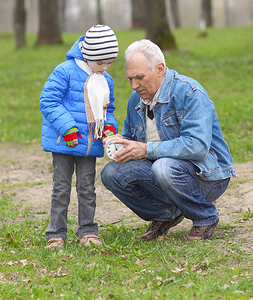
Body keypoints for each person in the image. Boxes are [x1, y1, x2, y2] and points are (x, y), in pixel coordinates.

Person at [101, 39, 236, 242]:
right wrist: (121, 143)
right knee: (111, 173)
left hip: (207, 176)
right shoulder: (136, 98)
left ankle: (205, 216)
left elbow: (197, 146)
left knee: (163, 167)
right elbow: (131, 137)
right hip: (164, 174)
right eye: (129, 79)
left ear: (160, 69)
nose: (134, 85)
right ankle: (164, 215)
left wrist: (147, 150)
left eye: (139, 77)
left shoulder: (190, 93)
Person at [40, 24, 119, 250]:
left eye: (109, 63)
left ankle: (87, 230)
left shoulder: (106, 80)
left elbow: (107, 109)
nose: (104, 68)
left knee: (87, 188)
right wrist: (68, 128)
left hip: (90, 145)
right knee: (61, 188)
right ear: (88, 55)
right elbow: (48, 102)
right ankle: (55, 233)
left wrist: (109, 129)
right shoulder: (64, 71)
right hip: (65, 142)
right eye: (100, 63)